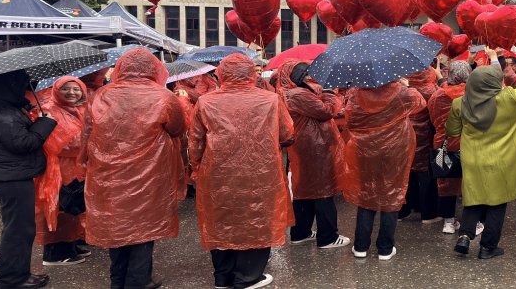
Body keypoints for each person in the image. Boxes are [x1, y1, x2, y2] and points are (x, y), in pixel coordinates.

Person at [189, 54, 294, 289]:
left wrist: (197, 169)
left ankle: (223, 277)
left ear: (221, 73)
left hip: (217, 172)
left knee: (221, 219)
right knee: (256, 218)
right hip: (261, 171)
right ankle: (248, 277)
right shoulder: (271, 100)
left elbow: (195, 143)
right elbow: (287, 134)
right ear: (252, 73)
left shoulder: (206, 101)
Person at [84, 49, 186, 289]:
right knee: (144, 229)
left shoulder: (101, 95)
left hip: (108, 174)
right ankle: (138, 282)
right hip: (149, 174)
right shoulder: (164, 96)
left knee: (117, 229)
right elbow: (177, 128)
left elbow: (88, 132)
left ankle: (118, 281)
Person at [447, 43, 516, 259]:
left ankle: (465, 236)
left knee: (474, 197)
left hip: (472, 159)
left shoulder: (460, 103)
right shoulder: (511, 100)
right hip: (502, 161)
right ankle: (488, 247)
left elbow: (452, 131)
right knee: (497, 202)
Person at [0, 70, 58, 289]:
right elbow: (22, 143)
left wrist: (26, 111)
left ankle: (18, 274)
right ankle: (12, 279)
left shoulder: (1, 106)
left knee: (20, 228)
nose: (24, 87)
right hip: (10, 175)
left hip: (11, 172)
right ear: (5, 85)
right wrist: (44, 124)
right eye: (19, 83)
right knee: (18, 230)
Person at [341, 76, 425, 260]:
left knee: (367, 194)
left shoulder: (356, 94)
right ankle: (385, 248)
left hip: (366, 151)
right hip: (395, 151)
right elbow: (421, 103)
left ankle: (361, 246)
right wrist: (406, 86)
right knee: (392, 193)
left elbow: (350, 121)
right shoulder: (402, 92)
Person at [276, 60, 351, 249]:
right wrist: (329, 93)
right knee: (323, 190)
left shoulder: (290, 92)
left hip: (305, 147)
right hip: (315, 148)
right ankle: (328, 237)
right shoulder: (297, 94)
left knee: (305, 191)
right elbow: (326, 111)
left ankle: (301, 232)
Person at [35, 77, 91, 266]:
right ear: (56, 90)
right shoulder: (49, 110)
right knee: (59, 208)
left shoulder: (76, 109)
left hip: (74, 168)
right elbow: (59, 143)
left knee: (72, 208)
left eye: (76, 89)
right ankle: (55, 253)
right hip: (58, 170)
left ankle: (70, 244)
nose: (72, 93)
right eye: (66, 89)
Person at [427, 61, 472, 234]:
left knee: (445, 182)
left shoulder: (437, 96)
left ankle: (448, 222)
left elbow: (432, 117)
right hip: (469, 143)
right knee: (470, 181)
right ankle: (472, 222)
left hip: (443, 142)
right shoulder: (473, 94)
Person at [401, 68, 441, 223]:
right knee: (426, 174)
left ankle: (404, 210)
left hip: (405, 135)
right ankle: (429, 213)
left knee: (406, 173)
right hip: (426, 136)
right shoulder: (433, 91)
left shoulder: (403, 89)